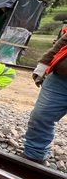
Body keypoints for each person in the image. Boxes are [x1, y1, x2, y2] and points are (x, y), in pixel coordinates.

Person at [23, 32, 67, 164]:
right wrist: (43, 65)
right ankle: (34, 156)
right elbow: (62, 42)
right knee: (40, 116)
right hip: (61, 78)